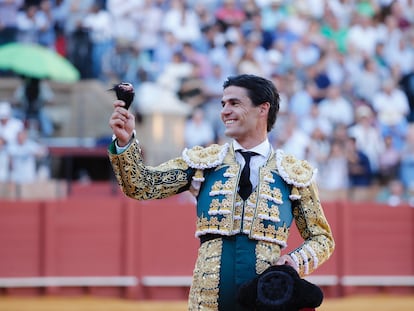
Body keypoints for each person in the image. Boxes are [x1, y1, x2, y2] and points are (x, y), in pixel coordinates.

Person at [108, 74, 335, 310]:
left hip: (267, 301)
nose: (225, 111)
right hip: (208, 302)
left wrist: (294, 260)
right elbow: (143, 185)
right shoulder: (204, 163)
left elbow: (322, 238)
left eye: (234, 103)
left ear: (263, 109)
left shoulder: (293, 173)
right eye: (223, 104)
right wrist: (125, 142)